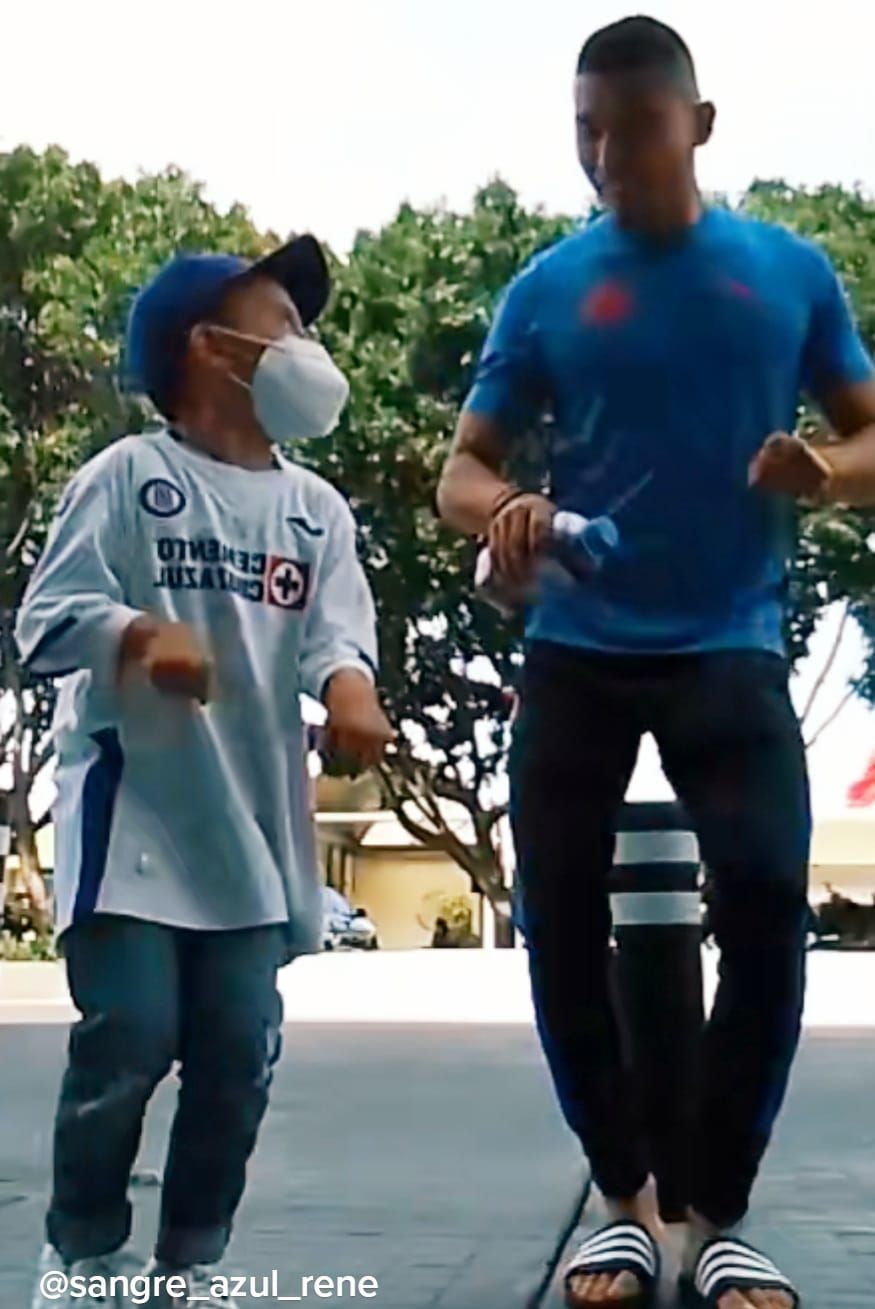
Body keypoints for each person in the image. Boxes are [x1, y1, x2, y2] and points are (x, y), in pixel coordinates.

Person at [437, 16, 875, 1309]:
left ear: (696, 124)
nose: (603, 152)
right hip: (574, 645)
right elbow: (461, 470)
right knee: (557, 920)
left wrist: (822, 469)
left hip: (727, 643)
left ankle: (712, 1209)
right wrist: (503, 510)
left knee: (761, 912)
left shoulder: (785, 276)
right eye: (582, 128)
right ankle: (623, 1202)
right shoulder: (545, 291)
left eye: (628, 124)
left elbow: (870, 440)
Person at [18, 234, 394, 1309]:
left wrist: (352, 695)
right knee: (130, 1036)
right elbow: (47, 620)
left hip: (247, 839)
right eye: (283, 321)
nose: (303, 345)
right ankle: (85, 1255)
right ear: (210, 346)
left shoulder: (314, 511)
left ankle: (193, 1265)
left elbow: (337, 638)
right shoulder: (130, 478)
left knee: (237, 1054)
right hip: (134, 818)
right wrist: (139, 635)